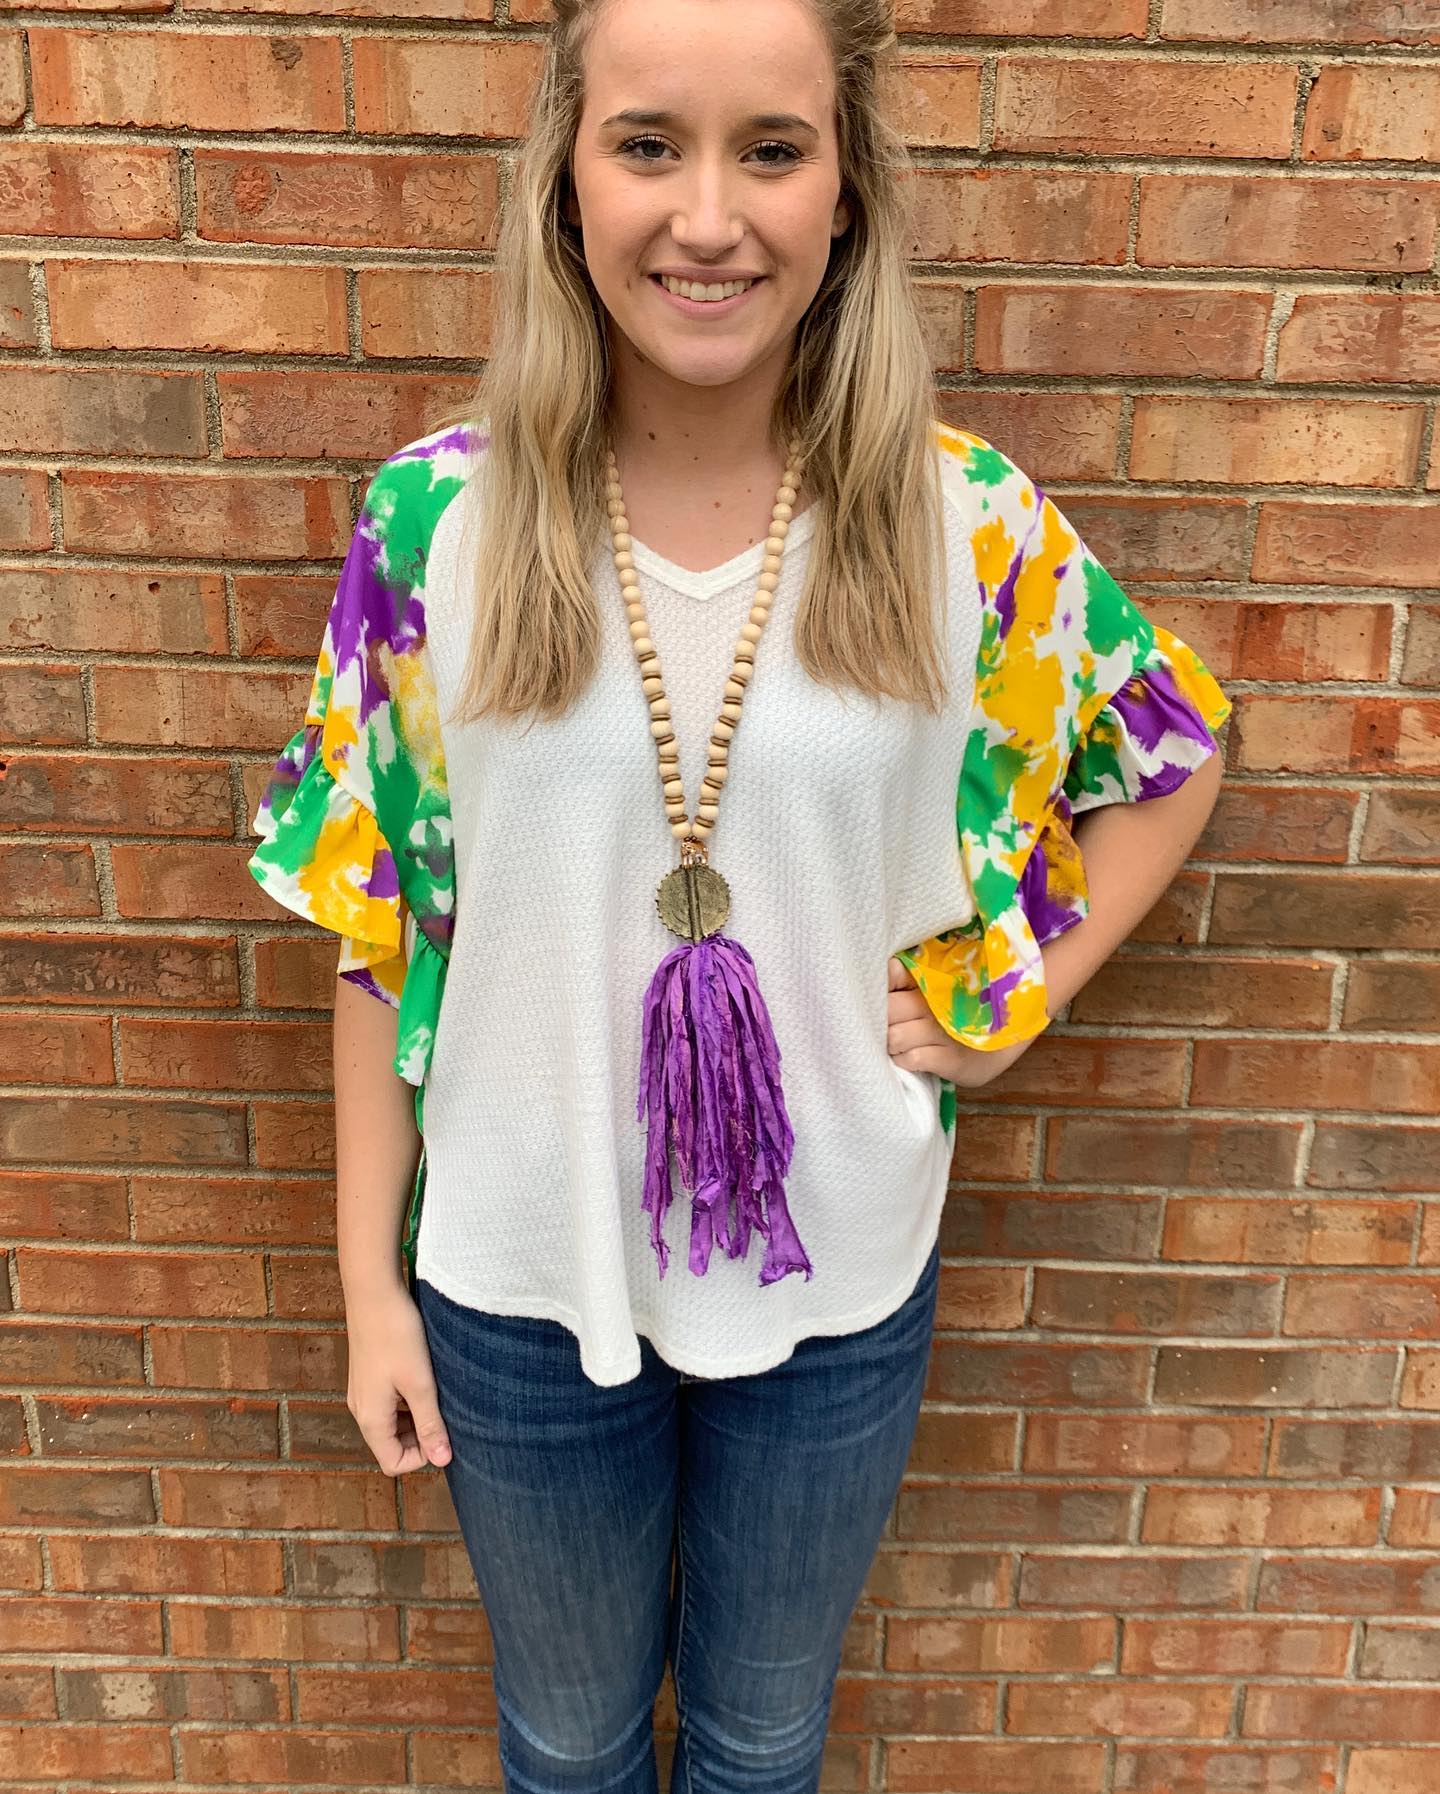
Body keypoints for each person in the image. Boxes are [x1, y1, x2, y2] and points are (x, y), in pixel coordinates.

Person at [247, 0, 1232, 1787]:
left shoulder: (963, 525)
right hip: (521, 1276)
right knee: (566, 1740)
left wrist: (1018, 996)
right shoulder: (434, 527)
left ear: (847, 192)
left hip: (838, 1270)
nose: (709, 218)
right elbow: (380, 926)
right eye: (649, 145)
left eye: (771, 150)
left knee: (768, 1739)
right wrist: (366, 1287)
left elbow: (1169, 747)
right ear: (566, 174)